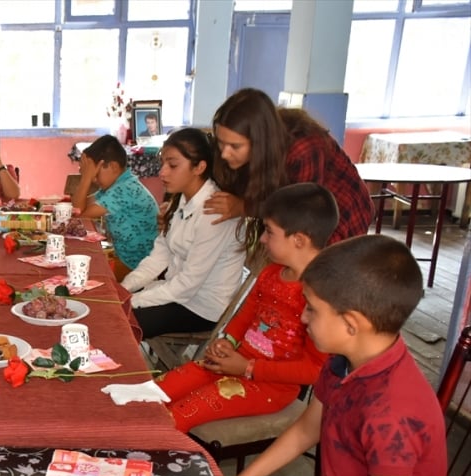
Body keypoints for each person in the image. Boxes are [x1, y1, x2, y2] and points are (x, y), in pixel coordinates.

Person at [223, 234, 446, 476]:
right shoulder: (345, 360)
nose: (303, 316)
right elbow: (307, 430)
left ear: (351, 323)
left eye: (311, 308)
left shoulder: (390, 411)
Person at [156, 183, 335, 432]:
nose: (262, 238)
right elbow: (245, 316)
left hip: (271, 386)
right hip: (234, 364)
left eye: (269, 232)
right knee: (154, 394)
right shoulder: (271, 273)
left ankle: (146, 462)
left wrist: (248, 367)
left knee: (177, 415)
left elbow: (315, 370)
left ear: (299, 240)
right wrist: (227, 341)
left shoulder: (321, 296)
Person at [207, 88, 373, 247]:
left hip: (339, 209)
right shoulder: (257, 145)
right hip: (300, 209)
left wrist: (243, 206)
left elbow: (300, 212)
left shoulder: (303, 149)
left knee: (320, 267)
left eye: (235, 147)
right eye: (221, 143)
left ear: (260, 142)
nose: (224, 154)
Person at [121, 128, 245, 339]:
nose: (162, 172)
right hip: (178, 295)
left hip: (202, 308)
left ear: (199, 167)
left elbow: (188, 285)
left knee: (121, 325)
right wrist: (124, 288)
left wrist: (131, 300)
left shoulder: (214, 211)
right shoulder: (181, 200)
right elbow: (159, 257)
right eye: (163, 164)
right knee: (115, 312)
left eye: (173, 165)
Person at [72, 135, 159, 279]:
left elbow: (79, 214)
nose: (94, 179)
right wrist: (87, 177)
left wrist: (86, 178)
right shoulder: (116, 186)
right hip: (127, 258)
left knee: (87, 275)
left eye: (95, 174)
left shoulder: (124, 189)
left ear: (113, 166)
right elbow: (78, 208)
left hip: (137, 266)